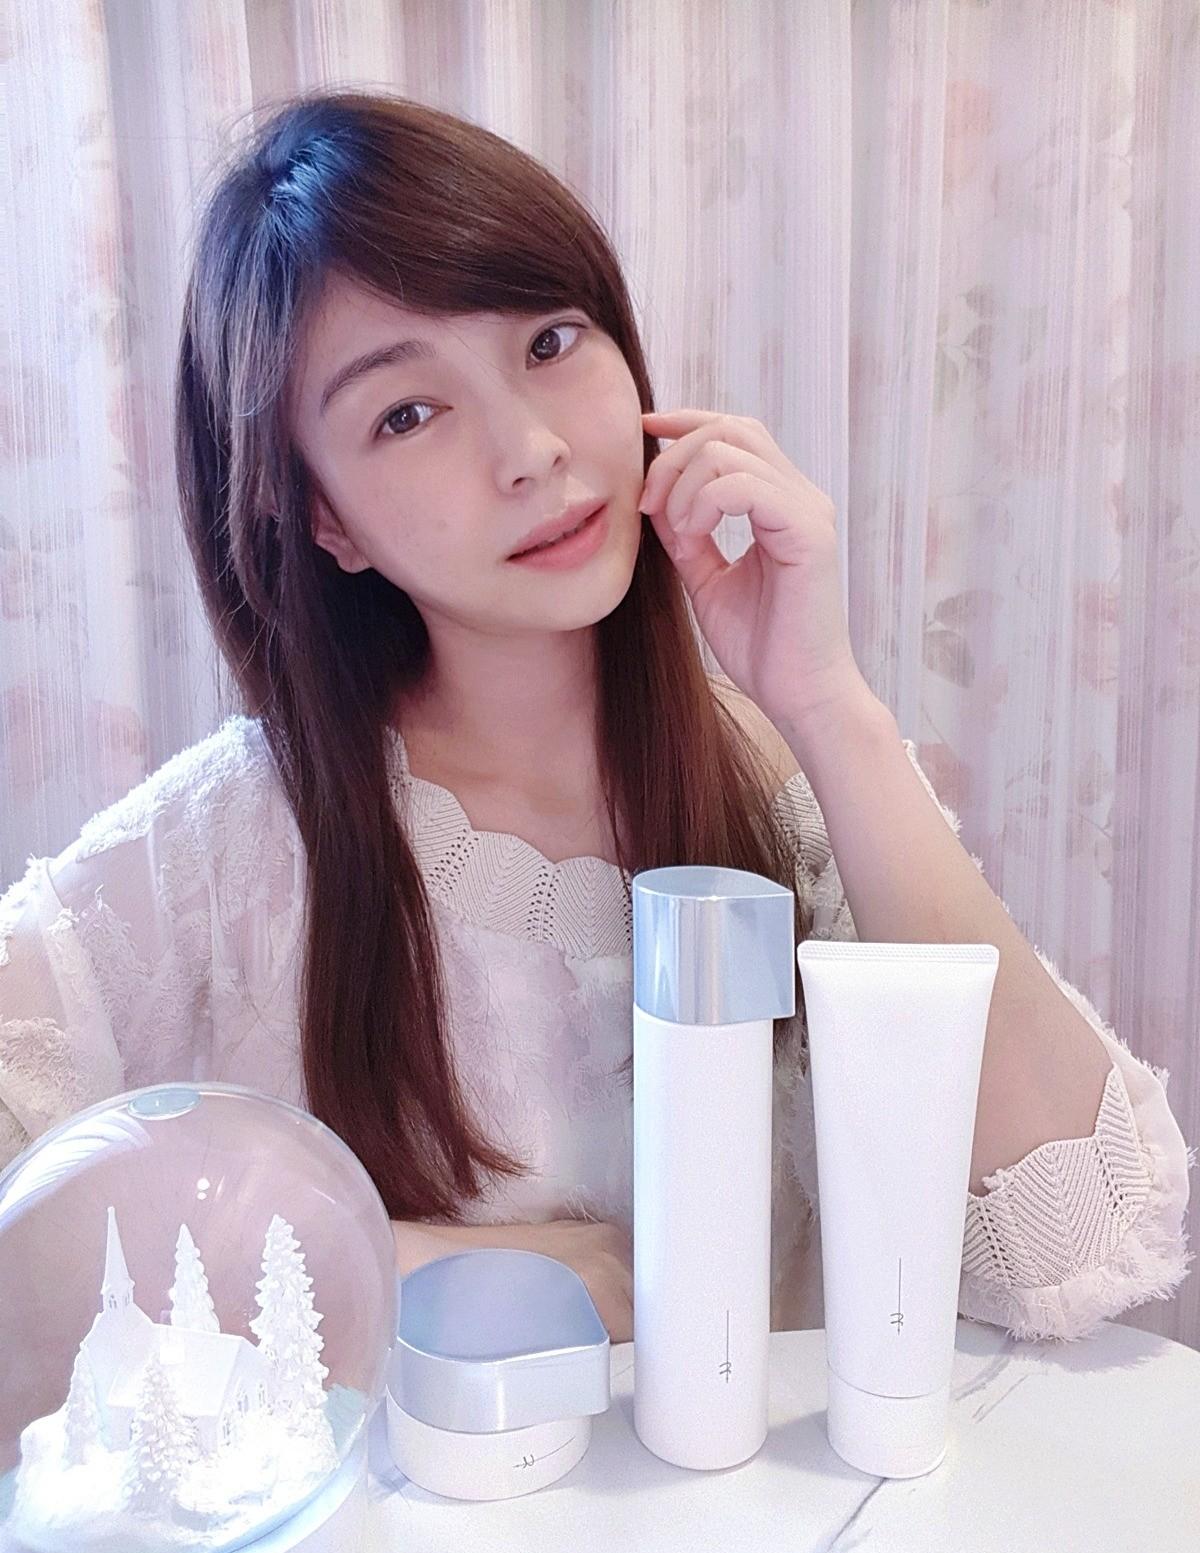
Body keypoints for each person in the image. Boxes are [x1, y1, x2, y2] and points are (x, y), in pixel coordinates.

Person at [1, 91, 1192, 1348]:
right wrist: (417, 1261)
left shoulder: (779, 786)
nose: (527, 449)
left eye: (549, 342)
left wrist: (829, 706)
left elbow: (1077, 1243)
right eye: (405, 414)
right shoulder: (235, 842)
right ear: (326, 519)